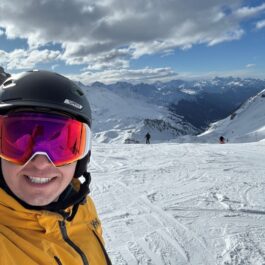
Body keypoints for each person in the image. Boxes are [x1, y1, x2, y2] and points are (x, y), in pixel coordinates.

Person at [0, 70, 112, 265]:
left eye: (62, 146)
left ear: (82, 159)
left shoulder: (81, 207)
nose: (41, 163)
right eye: (19, 143)